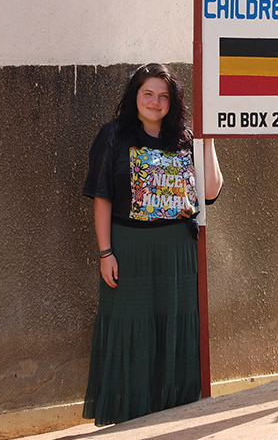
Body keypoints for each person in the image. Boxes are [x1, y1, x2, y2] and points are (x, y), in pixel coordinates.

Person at [82, 63, 224, 426]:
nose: (155, 101)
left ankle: (174, 420)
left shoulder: (185, 137)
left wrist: (207, 139)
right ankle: (127, 421)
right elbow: (102, 198)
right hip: (128, 250)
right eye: (148, 93)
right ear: (135, 95)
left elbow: (209, 192)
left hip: (177, 251)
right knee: (131, 329)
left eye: (163, 95)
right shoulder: (113, 135)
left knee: (176, 329)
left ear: (172, 101)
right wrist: (105, 252)